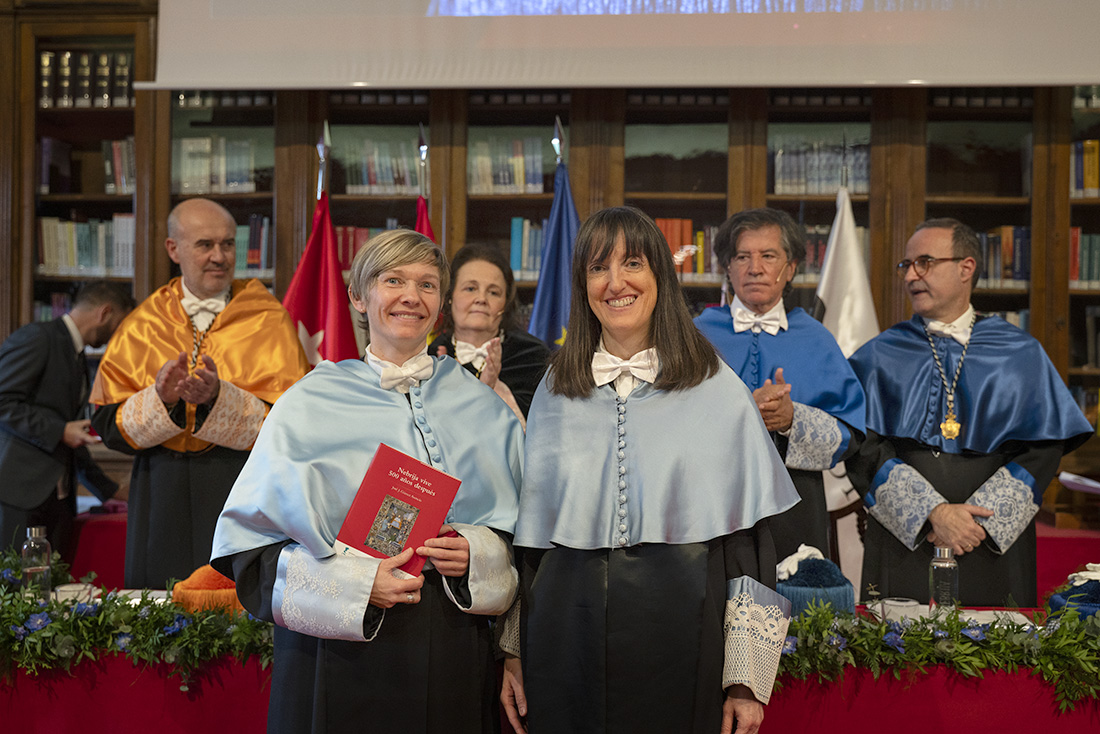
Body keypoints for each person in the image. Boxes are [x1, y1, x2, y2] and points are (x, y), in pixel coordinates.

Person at [211, 229, 523, 734]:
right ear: (358, 296)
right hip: (338, 661)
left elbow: (524, 544)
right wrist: (355, 586)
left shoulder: (486, 409)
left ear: (441, 303)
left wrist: (478, 554)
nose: (411, 296)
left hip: (453, 652)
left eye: (426, 284)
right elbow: (251, 557)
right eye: (393, 280)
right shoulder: (306, 404)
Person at [500, 206, 799, 734]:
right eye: (598, 268)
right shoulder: (554, 388)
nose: (615, 283)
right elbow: (530, 543)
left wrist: (746, 683)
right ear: (582, 285)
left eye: (632, 263)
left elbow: (749, 547)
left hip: (684, 632)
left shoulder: (716, 387)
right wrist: (513, 651)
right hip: (564, 637)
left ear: (660, 274)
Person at [848, 218, 1092, 607]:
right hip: (906, 540)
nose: (910, 275)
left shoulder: (1020, 352)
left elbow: (1043, 449)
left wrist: (974, 524)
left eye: (925, 262)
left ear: (966, 268)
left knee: (997, 640)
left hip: (990, 542)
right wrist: (932, 513)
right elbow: (861, 447)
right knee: (898, 643)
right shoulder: (879, 355)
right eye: (906, 265)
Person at [90, 198, 309, 589]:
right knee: (160, 601)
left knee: (232, 601)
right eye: (205, 245)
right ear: (173, 249)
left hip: (238, 484)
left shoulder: (267, 318)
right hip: (161, 488)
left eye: (227, 244)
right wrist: (161, 399)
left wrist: (217, 399)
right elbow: (107, 421)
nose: (219, 257)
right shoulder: (143, 323)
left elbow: (292, 421)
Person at [694, 208, 866, 561]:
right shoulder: (695, 335)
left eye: (768, 256)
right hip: (710, 507)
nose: (755, 268)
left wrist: (792, 420)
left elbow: (849, 438)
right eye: (743, 256)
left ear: (790, 268)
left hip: (795, 511)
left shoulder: (817, 339)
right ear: (728, 267)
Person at [0, 281, 134, 554]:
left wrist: (109, 490)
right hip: (18, 496)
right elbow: (3, 401)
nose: (119, 335)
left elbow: (72, 435)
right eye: (121, 325)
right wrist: (60, 431)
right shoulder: (38, 337)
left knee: (55, 580)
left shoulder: (78, 355)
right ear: (105, 313)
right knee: (15, 581)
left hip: (58, 499)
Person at [429, 243, 550, 424]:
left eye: (493, 292)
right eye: (470, 288)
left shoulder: (534, 357)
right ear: (450, 296)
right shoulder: (431, 356)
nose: (481, 299)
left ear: (505, 303)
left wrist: (495, 391)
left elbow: (540, 431)